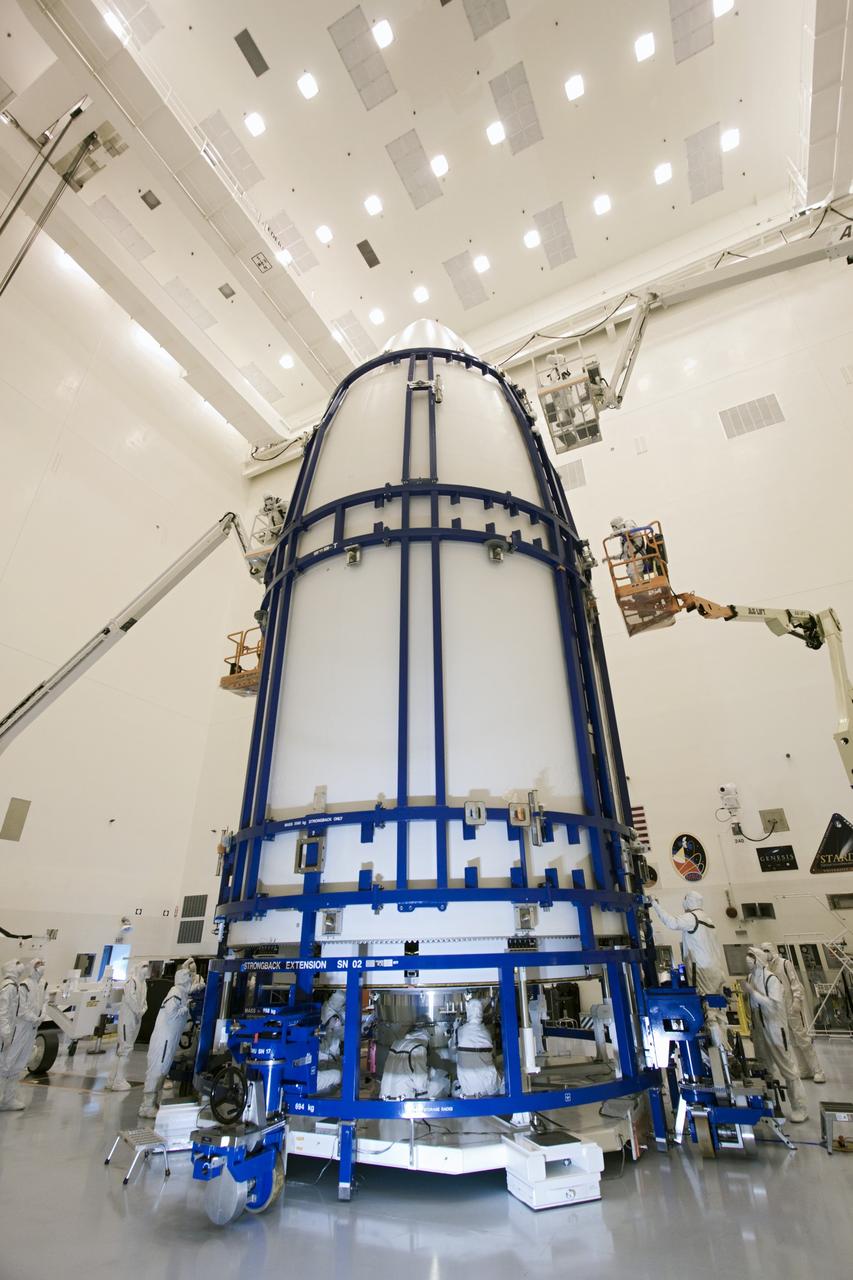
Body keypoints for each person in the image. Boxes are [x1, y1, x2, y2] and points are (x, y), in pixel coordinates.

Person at [648, 891, 730, 1049]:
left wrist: (655, 905)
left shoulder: (692, 918)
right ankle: (725, 1049)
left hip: (702, 970)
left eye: (685, 900)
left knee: (709, 1012)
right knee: (718, 1011)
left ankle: (718, 1050)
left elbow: (672, 923)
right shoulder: (708, 919)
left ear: (689, 902)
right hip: (715, 969)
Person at [742, 945, 808, 1123]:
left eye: (751, 956)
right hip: (759, 1029)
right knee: (765, 1068)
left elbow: (773, 1004)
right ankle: (770, 1105)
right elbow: (752, 1006)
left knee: (787, 1068)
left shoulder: (771, 979)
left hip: (775, 1028)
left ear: (758, 959)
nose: (748, 959)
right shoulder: (751, 977)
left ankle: (799, 1107)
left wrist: (753, 992)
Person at [761, 943, 825, 1083]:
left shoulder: (785, 964)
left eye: (767, 950)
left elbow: (794, 983)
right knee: (792, 1041)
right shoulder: (767, 968)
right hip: (780, 1010)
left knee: (802, 1039)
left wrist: (796, 1000)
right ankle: (804, 1069)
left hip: (791, 1008)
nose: (765, 953)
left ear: (772, 950)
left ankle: (818, 1071)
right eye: (763, 951)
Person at [138, 965, 193, 1119]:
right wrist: (186, 1007)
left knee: (162, 1070)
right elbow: (171, 1012)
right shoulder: (176, 992)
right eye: (189, 978)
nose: (190, 981)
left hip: (169, 1039)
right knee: (157, 1069)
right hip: (164, 1040)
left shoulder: (181, 992)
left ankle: (152, 1103)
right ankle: (146, 1106)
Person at [0, 956, 46, 1112]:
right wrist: (6, 1033)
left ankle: (8, 1099)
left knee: (17, 1064)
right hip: (15, 1031)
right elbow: (5, 1012)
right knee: (6, 1065)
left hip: (24, 1030)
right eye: (17, 963)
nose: (21, 966)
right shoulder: (13, 987)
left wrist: (40, 1017)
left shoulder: (30, 985)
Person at [106, 961, 149, 1092]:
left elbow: (144, 1002)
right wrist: (138, 1011)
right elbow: (131, 999)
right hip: (127, 1020)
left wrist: (142, 1011)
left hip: (137, 1019)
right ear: (138, 968)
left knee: (126, 1048)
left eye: (147, 967)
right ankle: (118, 1081)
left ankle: (112, 1079)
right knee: (125, 1049)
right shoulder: (131, 982)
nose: (146, 969)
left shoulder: (144, 984)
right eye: (143, 967)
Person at [454, 998, 503, 1098]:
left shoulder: (460, 1031)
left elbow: (452, 1049)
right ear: (480, 1013)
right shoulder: (485, 1032)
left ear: (468, 1012)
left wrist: (455, 1027)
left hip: (467, 1086)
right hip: (489, 1087)